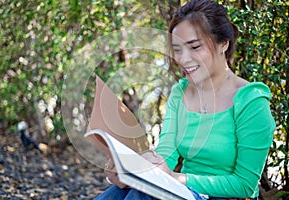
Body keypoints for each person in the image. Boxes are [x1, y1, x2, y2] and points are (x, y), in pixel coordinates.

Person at [95, 0, 276, 199]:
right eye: (178, 50)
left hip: (225, 196)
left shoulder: (251, 101)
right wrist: (135, 170)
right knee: (118, 192)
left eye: (194, 47)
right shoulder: (180, 92)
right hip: (185, 191)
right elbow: (167, 154)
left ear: (223, 43)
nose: (182, 59)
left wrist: (178, 178)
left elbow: (244, 185)